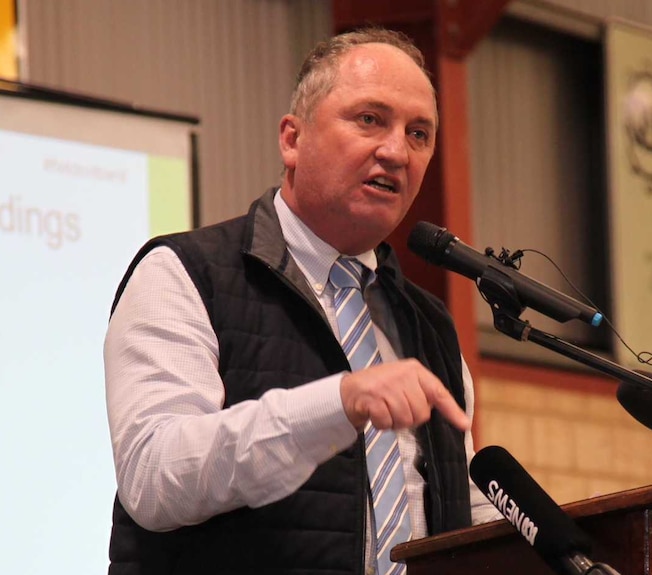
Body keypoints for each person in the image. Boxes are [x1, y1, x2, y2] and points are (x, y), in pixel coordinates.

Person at [104, 27, 499, 575]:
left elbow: (456, 511)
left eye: (419, 133)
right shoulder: (185, 275)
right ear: (292, 139)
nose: (396, 151)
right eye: (369, 119)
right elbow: (154, 478)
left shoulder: (429, 325)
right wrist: (335, 405)